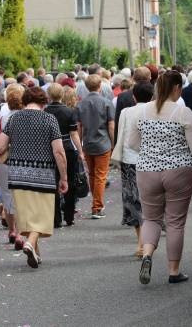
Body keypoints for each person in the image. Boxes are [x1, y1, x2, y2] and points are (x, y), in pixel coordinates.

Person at [126, 70, 192, 285]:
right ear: (177, 88)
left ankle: (147, 254)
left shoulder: (141, 112)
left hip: (147, 170)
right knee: (175, 222)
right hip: (179, 170)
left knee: (151, 218)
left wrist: (153, 151)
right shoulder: (183, 113)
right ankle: (173, 270)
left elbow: (132, 144)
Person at [0, 87, 68, 268]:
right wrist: (64, 177)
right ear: (44, 102)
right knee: (42, 215)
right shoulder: (49, 119)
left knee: (26, 215)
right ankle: (29, 243)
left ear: (25, 100)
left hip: (17, 173)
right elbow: (58, 151)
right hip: (43, 173)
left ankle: (35, 252)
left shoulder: (14, 118)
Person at [112, 82, 154, 258]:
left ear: (134, 96)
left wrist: (117, 156)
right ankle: (144, 243)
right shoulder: (156, 112)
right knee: (149, 201)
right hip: (152, 161)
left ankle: (140, 243)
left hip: (130, 161)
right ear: (152, 96)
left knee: (133, 201)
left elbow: (120, 134)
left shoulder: (126, 112)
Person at [0, 84, 25, 247]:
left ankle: (12, 230)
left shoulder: (2, 119)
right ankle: (20, 232)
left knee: (7, 195)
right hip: (24, 160)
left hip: (5, 161)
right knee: (23, 195)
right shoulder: (27, 119)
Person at [45, 83, 83, 227]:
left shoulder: (45, 111)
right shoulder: (69, 111)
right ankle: (69, 215)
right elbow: (74, 133)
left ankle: (55, 218)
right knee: (70, 182)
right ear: (62, 95)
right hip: (67, 147)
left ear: (48, 95)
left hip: (49, 149)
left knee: (52, 182)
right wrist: (80, 151)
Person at [77, 74, 115, 219]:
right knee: (100, 175)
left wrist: (80, 145)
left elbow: (79, 127)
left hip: (87, 143)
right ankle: (97, 207)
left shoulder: (81, 104)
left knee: (92, 174)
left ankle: (96, 202)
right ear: (100, 86)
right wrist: (113, 143)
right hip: (103, 142)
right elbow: (111, 126)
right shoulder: (106, 103)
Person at [115, 67, 151, 143]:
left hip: (128, 141)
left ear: (133, 78)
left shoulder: (123, 96)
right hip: (149, 142)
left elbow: (118, 123)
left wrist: (116, 144)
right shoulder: (155, 95)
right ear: (149, 79)